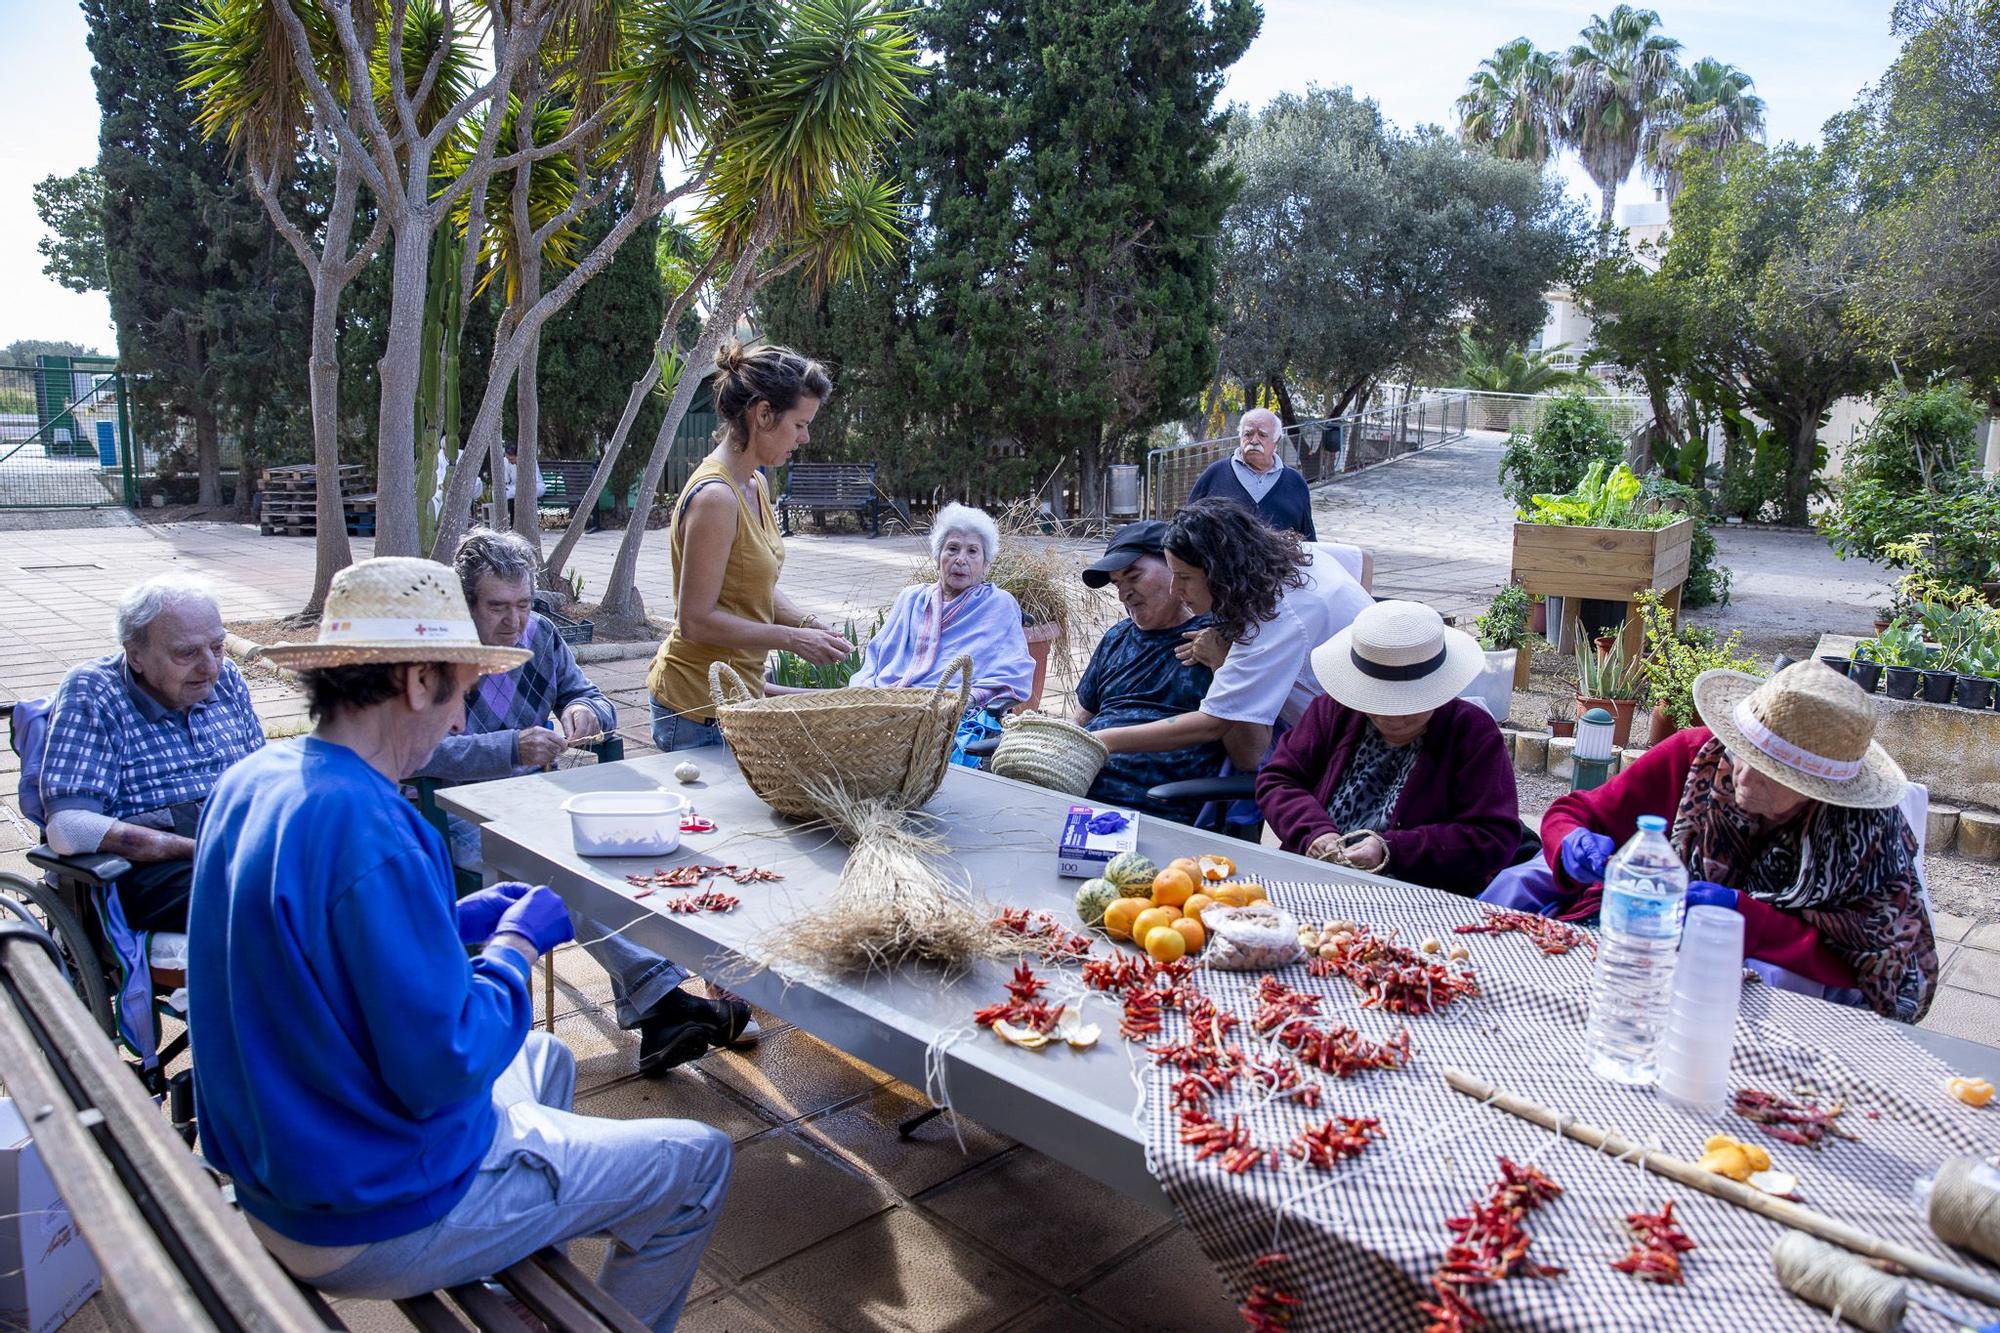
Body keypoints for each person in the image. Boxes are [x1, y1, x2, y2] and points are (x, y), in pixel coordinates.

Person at [190, 558, 730, 1329]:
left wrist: (453, 920)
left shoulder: (255, 780)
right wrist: (513, 948)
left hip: (277, 1169)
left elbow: (316, 947)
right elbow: (444, 1065)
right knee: (699, 1159)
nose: (456, 720)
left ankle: (516, 1265)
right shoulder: (378, 829)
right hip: (371, 1210)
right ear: (417, 682)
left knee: (546, 1057)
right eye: (461, 692)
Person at [414, 529, 753, 1065]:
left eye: (524, 603)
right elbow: (423, 751)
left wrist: (588, 711)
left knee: (624, 848)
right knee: (555, 870)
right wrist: (510, 746)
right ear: (465, 602)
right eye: (497, 606)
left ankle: (663, 1012)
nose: (514, 620)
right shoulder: (441, 651)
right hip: (458, 811)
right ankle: (662, 1001)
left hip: (541, 798)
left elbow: (591, 695)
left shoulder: (542, 636)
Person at [1482, 662, 1938, 1022]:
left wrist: (1745, 917)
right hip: (1650, 933)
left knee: (1768, 980)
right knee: (1522, 879)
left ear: (1820, 791)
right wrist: (1574, 843)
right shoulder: (1698, 753)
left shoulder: (1867, 837)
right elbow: (1573, 812)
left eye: (1774, 773)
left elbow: (1872, 971)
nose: (1742, 773)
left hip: (1765, 971)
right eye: (1745, 752)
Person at [646, 342, 854, 751]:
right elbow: (695, 620)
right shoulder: (716, 498)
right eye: (799, 424)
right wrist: (792, 641)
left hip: (737, 696)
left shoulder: (755, 483)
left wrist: (807, 624)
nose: (805, 437)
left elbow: (748, 581)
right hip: (696, 709)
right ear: (762, 415)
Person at [36, 573, 266, 934]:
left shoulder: (227, 677)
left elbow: (263, 777)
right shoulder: (94, 690)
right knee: (268, 897)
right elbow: (69, 827)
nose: (209, 667)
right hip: (149, 870)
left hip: (236, 844)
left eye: (217, 647)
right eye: (186, 653)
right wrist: (191, 848)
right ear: (136, 655)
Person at [1091, 498, 1372, 773]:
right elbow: (1363, 560)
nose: (1176, 589)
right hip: (1363, 709)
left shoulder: (1273, 623)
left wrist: (1102, 740)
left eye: (1185, 577)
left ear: (1220, 571)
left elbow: (1213, 724)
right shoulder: (1295, 556)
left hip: (1352, 747)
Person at [1255, 601, 1519, 892]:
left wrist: (1392, 849)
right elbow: (1278, 780)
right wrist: (1314, 833)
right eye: (1377, 703)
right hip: (1314, 878)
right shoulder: (1333, 710)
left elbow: (1493, 836)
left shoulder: (1472, 732)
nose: (1392, 716)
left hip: (1417, 897)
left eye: (1410, 705)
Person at [1072, 522, 1226, 820]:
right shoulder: (1117, 638)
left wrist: (1221, 665)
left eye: (1134, 576)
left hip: (1156, 807)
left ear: (1175, 567)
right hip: (1079, 791)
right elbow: (1079, 722)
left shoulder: (1216, 639)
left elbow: (1249, 755)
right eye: (1118, 583)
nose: (1124, 594)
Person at [851, 502, 1034, 709]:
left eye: (972, 551)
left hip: (950, 712)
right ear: (938, 558)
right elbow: (874, 659)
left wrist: (964, 701)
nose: (960, 560)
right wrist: (863, 695)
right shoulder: (911, 598)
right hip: (889, 704)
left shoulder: (998, 604)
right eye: (952, 549)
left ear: (985, 565)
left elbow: (1014, 671)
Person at [1185, 407, 1316, 540]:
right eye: (1248, 434)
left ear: (1276, 440)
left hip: (1277, 560)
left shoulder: (1295, 483)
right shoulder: (1215, 474)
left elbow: (1309, 540)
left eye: (1262, 435)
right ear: (1240, 437)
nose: (1254, 440)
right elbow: (1185, 526)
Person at [501, 440, 547, 505]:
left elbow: (532, 482)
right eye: (508, 459)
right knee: (505, 493)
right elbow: (506, 481)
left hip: (534, 487)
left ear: (518, 456)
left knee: (523, 491)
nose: (509, 462)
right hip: (515, 488)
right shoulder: (505, 461)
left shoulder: (530, 460)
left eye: (511, 459)